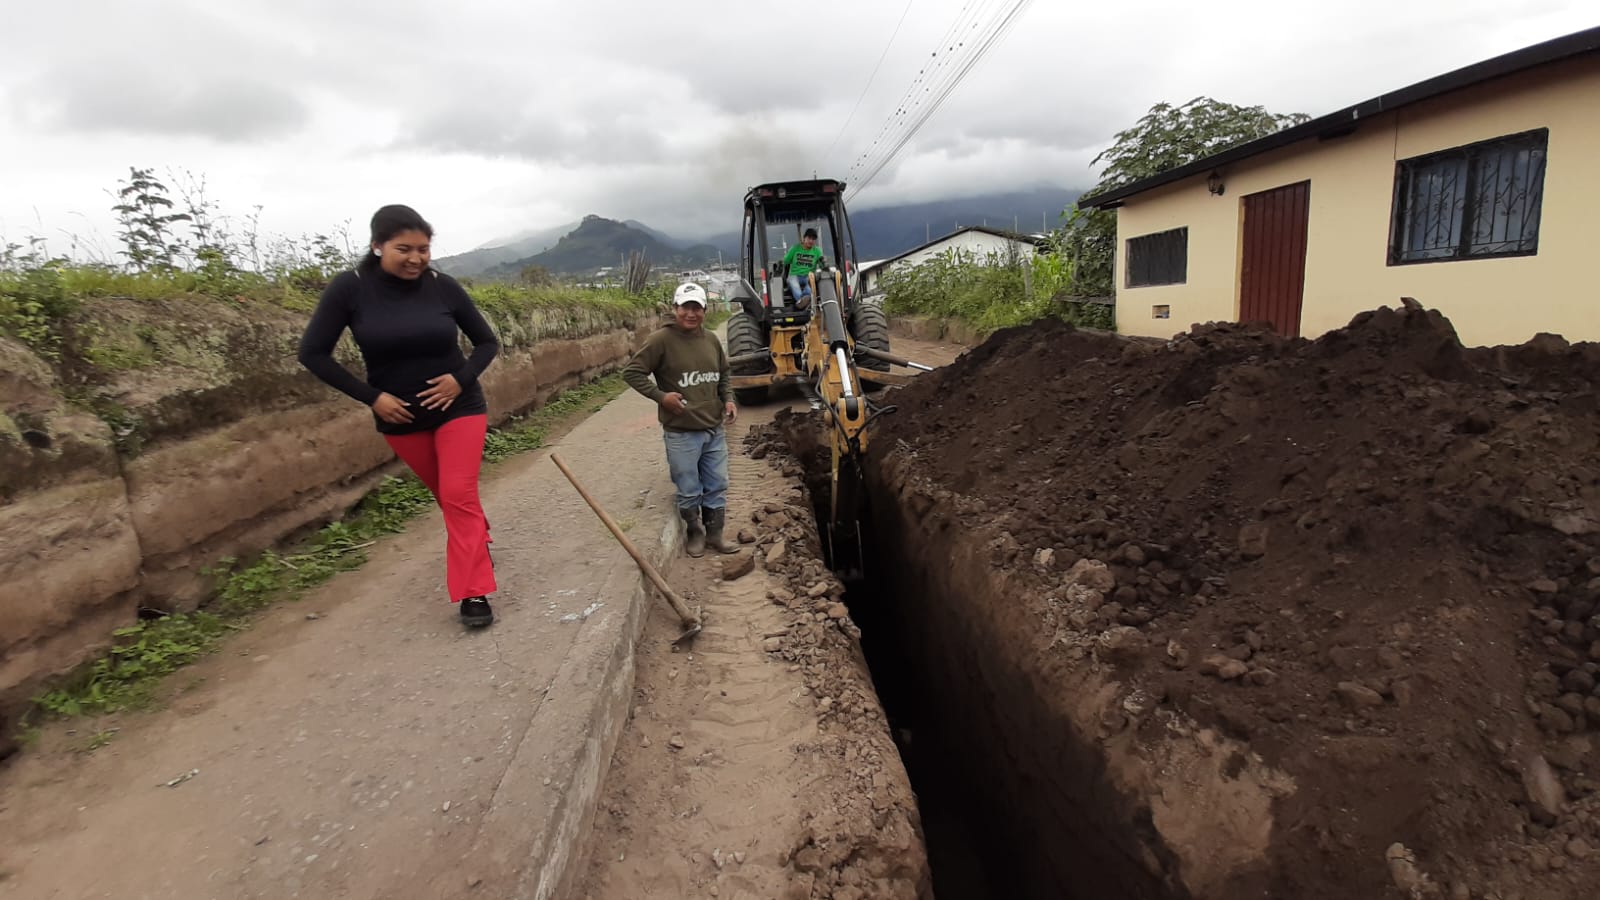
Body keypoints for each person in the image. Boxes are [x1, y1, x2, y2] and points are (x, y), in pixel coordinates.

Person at [297, 205, 502, 628]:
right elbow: (313, 353)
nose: (416, 258)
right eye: (403, 249)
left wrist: (460, 380)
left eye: (423, 249)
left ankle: (473, 591)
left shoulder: (443, 287)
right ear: (377, 246)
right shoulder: (350, 289)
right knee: (448, 496)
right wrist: (372, 398)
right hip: (401, 418)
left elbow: (486, 342)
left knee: (458, 493)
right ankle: (477, 538)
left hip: (459, 408)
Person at [623, 283, 740, 558]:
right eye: (685, 307)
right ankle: (695, 533)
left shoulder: (711, 340)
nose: (691, 313)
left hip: (713, 428)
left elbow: (724, 374)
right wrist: (661, 397)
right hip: (682, 432)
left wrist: (729, 399)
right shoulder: (660, 341)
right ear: (675, 308)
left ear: (704, 310)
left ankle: (715, 534)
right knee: (688, 487)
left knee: (717, 483)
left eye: (696, 308)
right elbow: (632, 373)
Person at [782, 228, 828, 308]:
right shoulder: (795, 248)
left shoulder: (817, 251)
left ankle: (803, 301)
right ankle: (801, 300)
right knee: (794, 284)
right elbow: (786, 261)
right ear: (804, 238)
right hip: (795, 275)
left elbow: (822, 265)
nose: (811, 241)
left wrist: (824, 263)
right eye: (809, 238)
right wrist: (787, 256)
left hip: (808, 276)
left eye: (813, 239)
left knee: (812, 284)